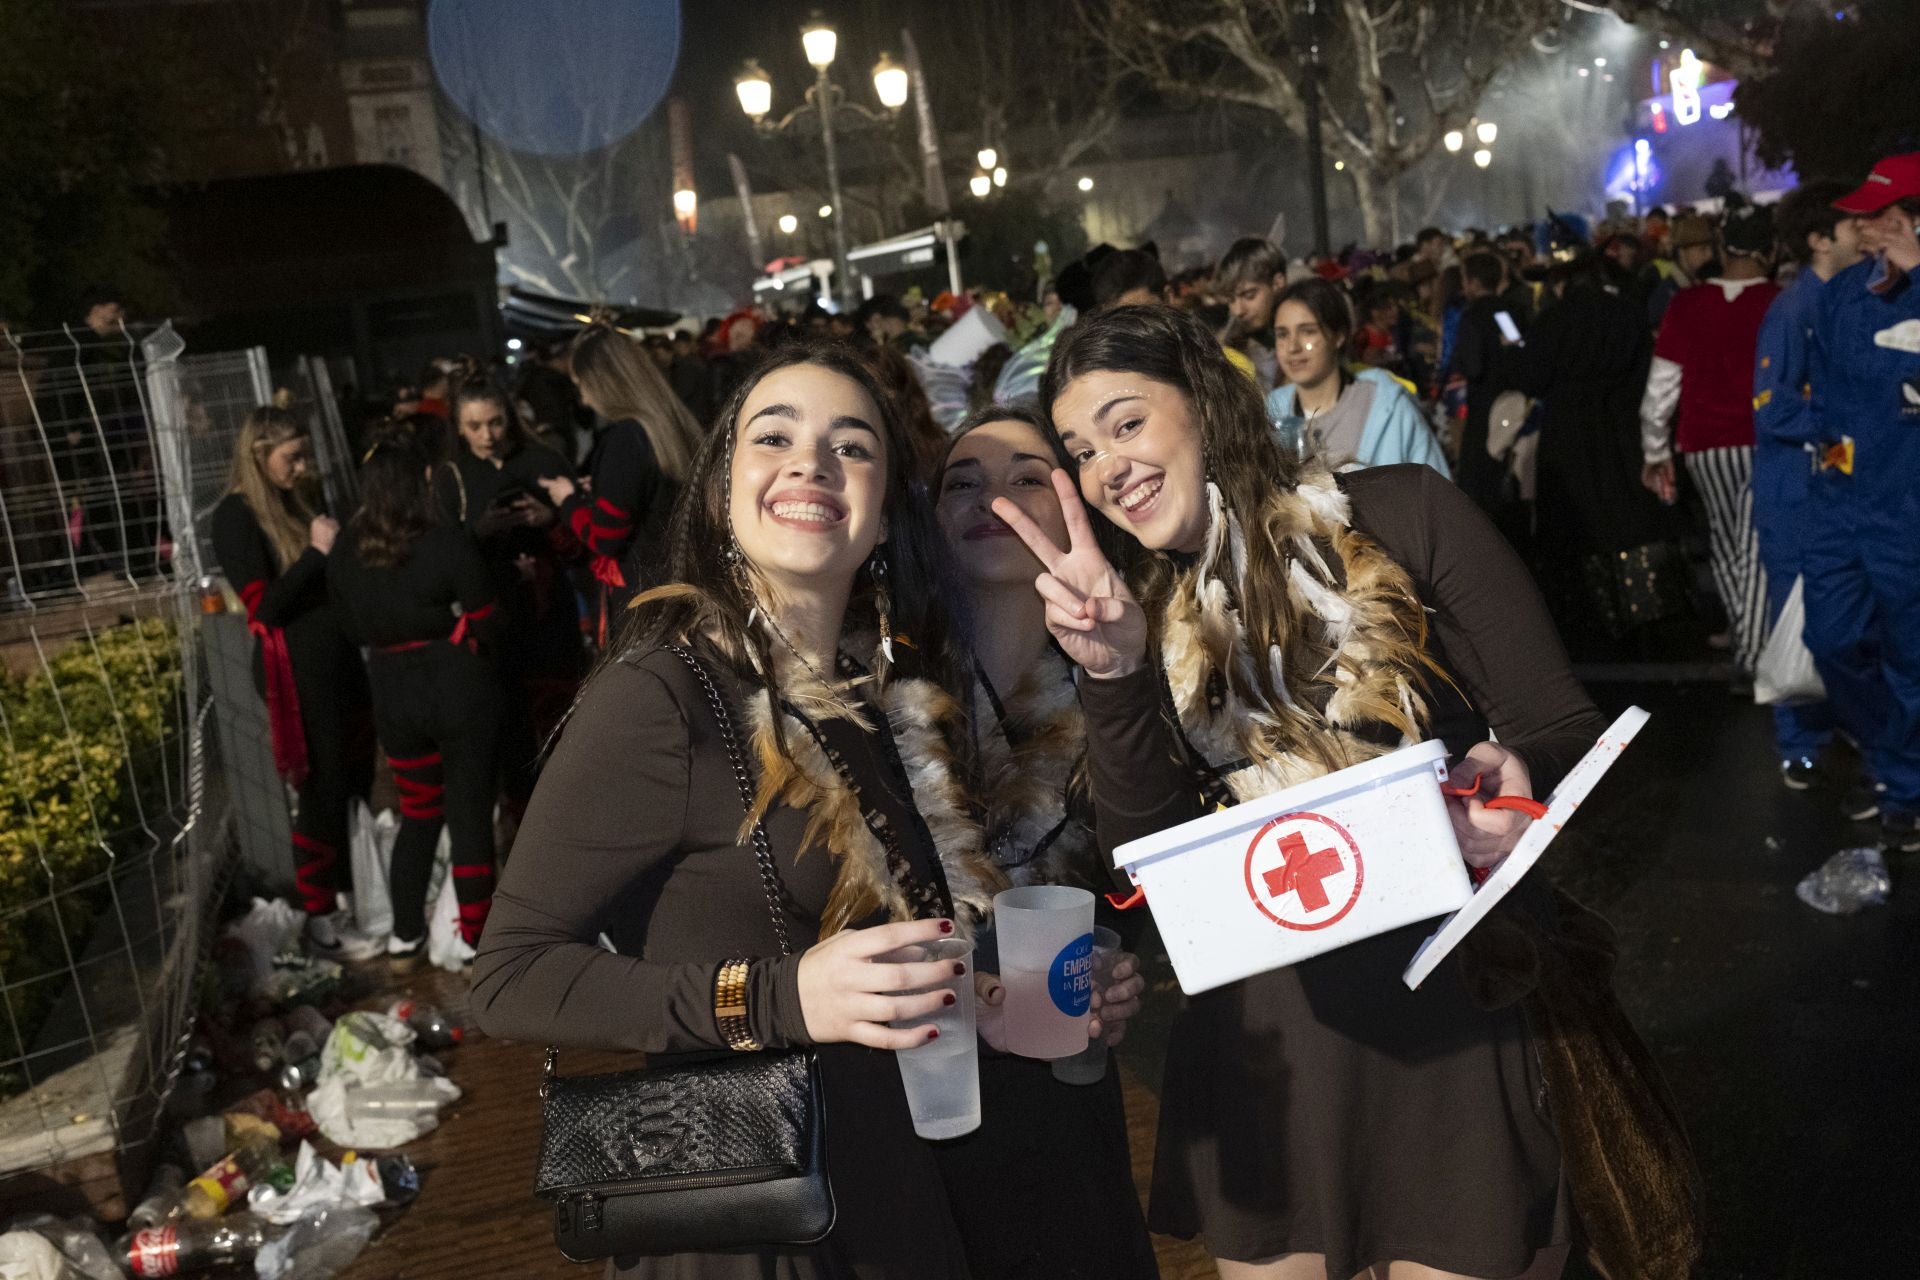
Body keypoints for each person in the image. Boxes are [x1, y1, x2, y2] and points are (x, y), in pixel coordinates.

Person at [998, 303, 1605, 1280]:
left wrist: (1522, 777)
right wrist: (1114, 673)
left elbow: (1557, 719)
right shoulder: (1134, 611)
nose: (1108, 464)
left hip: (1451, 1006)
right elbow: (1140, 864)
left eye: (1126, 422)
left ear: (1203, 401)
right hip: (1266, 1046)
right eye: (1080, 447)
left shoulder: (1401, 511)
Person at [471, 343, 1006, 1278]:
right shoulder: (661, 692)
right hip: (751, 1214)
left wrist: (977, 992)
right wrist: (778, 995)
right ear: (722, 492)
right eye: (776, 437)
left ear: (882, 517)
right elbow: (506, 977)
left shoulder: (864, 692)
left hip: (892, 1179)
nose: (812, 463)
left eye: (851, 445)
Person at [929, 407, 1159, 1280]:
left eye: (1028, 476)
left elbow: (1146, 871)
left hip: (1066, 1107)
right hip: (921, 1118)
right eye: (961, 481)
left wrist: (1118, 961)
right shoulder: (874, 694)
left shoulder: (1123, 674)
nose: (993, 498)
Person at [329, 426, 505, 964]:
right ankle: (475, 938)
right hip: (459, 690)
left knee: (419, 813)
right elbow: (489, 620)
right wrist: (448, 622)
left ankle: (406, 931)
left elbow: (351, 628)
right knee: (470, 813)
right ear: (423, 479)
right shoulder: (446, 538)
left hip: (393, 693)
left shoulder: (345, 551)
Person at [212, 406, 377, 958]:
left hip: (337, 660)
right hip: (296, 671)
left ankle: (351, 901)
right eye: (292, 457)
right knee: (321, 791)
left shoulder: (294, 502)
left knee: (353, 780)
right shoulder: (236, 517)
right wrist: (316, 553)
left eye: (305, 455)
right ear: (258, 455)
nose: (302, 467)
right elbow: (265, 609)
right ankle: (320, 915)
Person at [1802, 155, 1920, 852]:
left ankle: (1903, 785)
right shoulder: (1841, 293)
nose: (1860, 226)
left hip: (1908, 512)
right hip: (1839, 508)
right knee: (1834, 642)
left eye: (1876, 214)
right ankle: (1896, 760)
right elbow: (1822, 396)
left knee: (1912, 660)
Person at [1751, 182, 1862, 803]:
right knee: (1793, 618)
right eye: (1851, 227)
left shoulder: (1844, 300)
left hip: (1832, 489)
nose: (1863, 234)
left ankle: (1836, 726)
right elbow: (1772, 410)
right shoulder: (1794, 310)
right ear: (1820, 241)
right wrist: (1842, 426)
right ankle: (1798, 744)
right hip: (1795, 494)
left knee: (1838, 616)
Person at [1517, 253, 1688, 655]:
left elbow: (1529, 377)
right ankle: (1651, 616)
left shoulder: (1553, 321)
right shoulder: (1625, 314)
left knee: (1580, 526)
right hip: (1622, 429)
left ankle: (1592, 621)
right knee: (1632, 517)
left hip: (1569, 437)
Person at [1640, 198, 1781, 681]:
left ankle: (1745, 642)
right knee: (1757, 545)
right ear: (1773, 248)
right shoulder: (1780, 300)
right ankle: (1755, 654)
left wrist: (1655, 451)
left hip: (1702, 444)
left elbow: (1661, 388)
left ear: (1723, 243)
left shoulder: (1687, 304)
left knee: (1725, 542)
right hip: (1764, 440)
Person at [433, 366, 583, 811]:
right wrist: (477, 533)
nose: (488, 435)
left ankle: (576, 819)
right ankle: (526, 836)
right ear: (459, 427)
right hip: (496, 631)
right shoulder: (452, 477)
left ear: (511, 418)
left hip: (551, 621)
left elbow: (582, 549)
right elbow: (441, 561)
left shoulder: (545, 461)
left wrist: (550, 520)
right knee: (513, 742)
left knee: (564, 729)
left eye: (495, 422)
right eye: (475, 426)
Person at [536, 324, 702, 647]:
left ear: (603, 384)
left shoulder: (625, 440)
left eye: (582, 386)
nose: (582, 398)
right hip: (684, 585)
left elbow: (605, 537)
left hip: (643, 600)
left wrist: (568, 499)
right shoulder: (673, 425)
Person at [1264, 278, 1452, 476]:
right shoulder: (1268, 416)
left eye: (1308, 332)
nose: (1293, 347)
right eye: (1282, 334)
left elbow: (1437, 493)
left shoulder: (1388, 407)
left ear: (1339, 336)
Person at [1449, 252, 1529, 516]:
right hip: (1513, 405)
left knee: (1481, 487)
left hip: (1483, 410)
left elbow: (1473, 365)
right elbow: (1517, 351)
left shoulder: (1472, 316)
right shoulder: (1508, 313)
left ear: (1472, 282)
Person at [1217, 237, 1288, 390]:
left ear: (1277, 283)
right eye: (1231, 300)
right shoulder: (1231, 352)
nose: (1238, 310)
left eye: (1249, 295)